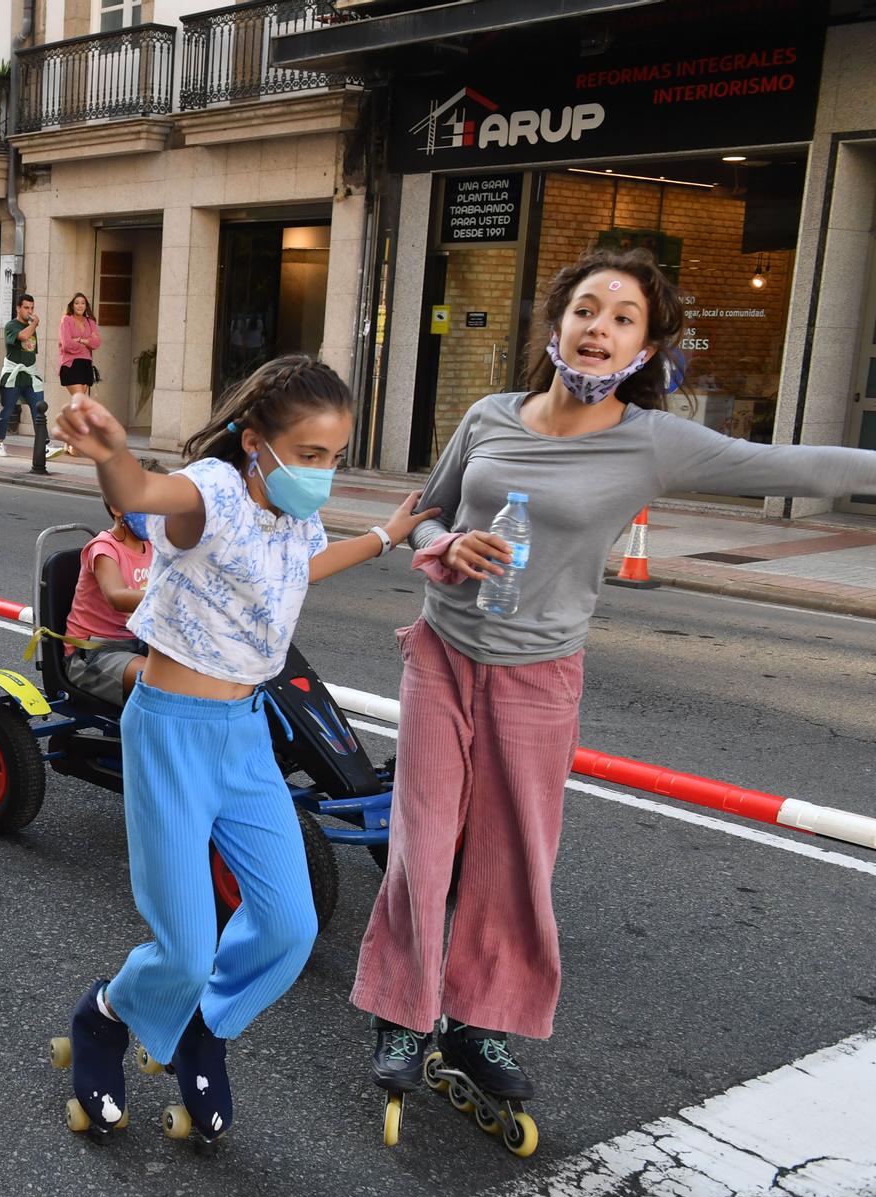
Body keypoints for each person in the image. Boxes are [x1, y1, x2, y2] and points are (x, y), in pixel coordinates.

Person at [351, 247, 876, 1114]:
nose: (599, 328)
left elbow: (795, 467)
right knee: (423, 838)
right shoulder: (488, 416)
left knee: (514, 857)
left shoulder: (651, 443)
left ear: (644, 349)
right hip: (442, 657)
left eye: (623, 317)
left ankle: (479, 1021)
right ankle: (402, 1011)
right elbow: (425, 513)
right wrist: (442, 547)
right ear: (557, 323)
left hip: (539, 675)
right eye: (586, 309)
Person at [44, 357, 434, 1143]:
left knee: (289, 925)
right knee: (184, 945)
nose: (324, 473)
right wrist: (115, 453)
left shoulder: (291, 518)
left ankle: (203, 1030)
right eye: (312, 455)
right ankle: (107, 1017)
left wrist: (386, 537)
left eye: (336, 456)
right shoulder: (214, 493)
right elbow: (145, 495)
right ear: (256, 443)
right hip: (171, 731)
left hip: (245, 733)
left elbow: (300, 572)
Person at [62, 458, 165, 706]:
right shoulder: (104, 549)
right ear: (118, 506)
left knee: (205, 670)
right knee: (159, 681)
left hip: (141, 642)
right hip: (95, 654)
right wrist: (170, 596)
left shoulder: (154, 545)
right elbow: (116, 596)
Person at [0, 293, 48, 460]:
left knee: (39, 409)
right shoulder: (11, 325)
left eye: (32, 308)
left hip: (30, 376)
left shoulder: (32, 328)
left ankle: (44, 444)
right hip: (13, 376)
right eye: (26, 308)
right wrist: (35, 323)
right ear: (18, 308)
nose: (30, 311)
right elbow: (23, 337)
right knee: (8, 409)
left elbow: (30, 351)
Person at [59, 293, 100, 393]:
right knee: (80, 400)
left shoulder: (91, 322)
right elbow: (67, 345)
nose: (80, 306)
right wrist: (87, 342)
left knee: (80, 403)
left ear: (86, 306)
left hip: (86, 364)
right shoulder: (66, 320)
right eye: (76, 303)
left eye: (83, 303)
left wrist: (80, 340)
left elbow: (96, 343)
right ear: (72, 305)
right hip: (71, 364)